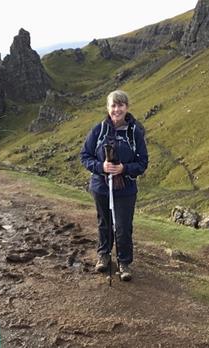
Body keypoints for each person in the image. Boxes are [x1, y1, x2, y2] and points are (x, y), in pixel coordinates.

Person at [80, 90, 148, 281]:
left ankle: (124, 262)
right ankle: (103, 255)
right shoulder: (98, 130)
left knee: (124, 226)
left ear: (127, 107)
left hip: (126, 189)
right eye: (113, 105)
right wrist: (101, 166)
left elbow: (142, 163)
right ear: (107, 108)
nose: (116, 109)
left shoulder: (135, 132)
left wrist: (124, 169)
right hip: (101, 187)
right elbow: (85, 156)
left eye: (120, 105)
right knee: (105, 223)